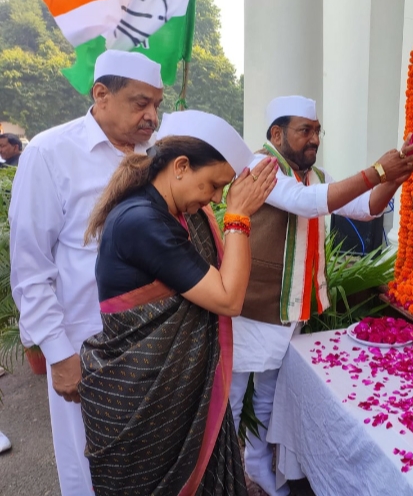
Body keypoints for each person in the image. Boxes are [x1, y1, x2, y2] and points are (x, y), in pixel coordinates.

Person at [229, 95, 413, 496]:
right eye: (305, 130)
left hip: (290, 310)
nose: (315, 139)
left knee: (267, 397)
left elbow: (367, 208)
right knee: (231, 402)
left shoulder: (316, 176)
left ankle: (258, 468)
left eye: (317, 131)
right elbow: (305, 204)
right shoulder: (260, 167)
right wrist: (376, 170)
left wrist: (395, 177)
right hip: (252, 309)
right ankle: (223, 476)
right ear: (276, 134)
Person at [80, 110, 276, 495]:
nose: (216, 199)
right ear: (181, 167)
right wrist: (238, 216)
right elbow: (227, 298)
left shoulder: (173, 212)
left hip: (172, 394)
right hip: (142, 399)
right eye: (214, 185)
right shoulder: (142, 220)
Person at [9, 50, 164, 495]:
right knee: (88, 467)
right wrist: (59, 355)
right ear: (101, 95)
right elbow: (30, 268)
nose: (152, 116)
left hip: (153, 342)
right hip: (85, 346)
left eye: (157, 104)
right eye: (140, 103)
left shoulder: (158, 155)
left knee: (148, 464)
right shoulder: (51, 152)